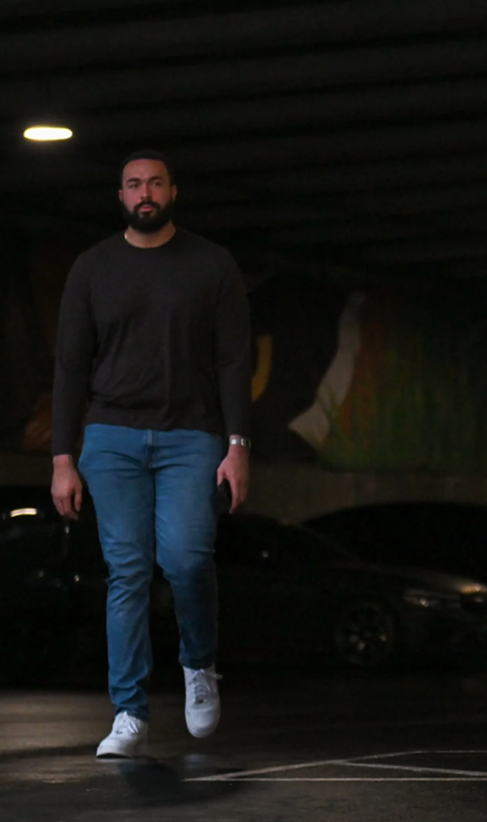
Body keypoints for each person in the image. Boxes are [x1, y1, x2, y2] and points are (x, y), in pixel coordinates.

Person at [50, 150, 252, 758]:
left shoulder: (211, 265)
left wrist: (238, 445)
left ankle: (199, 665)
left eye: (155, 183)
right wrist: (63, 456)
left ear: (172, 192)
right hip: (110, 437)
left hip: (193, 436)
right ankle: (129, 712)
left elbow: (234, 362)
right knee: (128, 572)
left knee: (187, 559)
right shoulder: (92, 268)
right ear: (121, 196)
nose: (145, 193)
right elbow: (69, 367)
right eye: (134, 184)